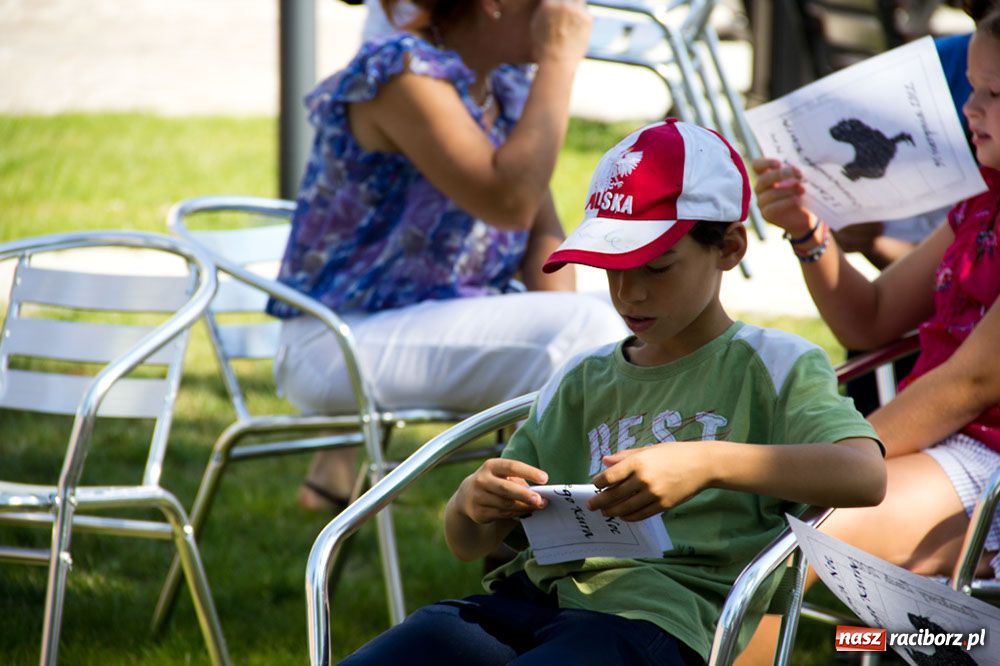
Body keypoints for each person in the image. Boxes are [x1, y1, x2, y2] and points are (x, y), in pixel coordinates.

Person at [337, 120, 887, 666]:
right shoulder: (582, 377)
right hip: (526, 604)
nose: (628, 293)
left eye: (657, 267)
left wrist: (708, 463)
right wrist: (470, 503)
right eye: (610, 268)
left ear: (729, 247)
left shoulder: (775, 365)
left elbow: (865, 474)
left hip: (656, 622)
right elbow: (471, 544)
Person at [268, 0, 628, 512]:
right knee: (583, 330)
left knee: (628, 320)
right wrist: (560, 61)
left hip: (431, 323)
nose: (569, 9)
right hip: (336, 339)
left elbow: (540, 230)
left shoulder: (503, 87)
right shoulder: (402, 73)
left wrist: (562, 330)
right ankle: (564, 532)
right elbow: (509, 201)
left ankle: (565, 528)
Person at [740, 9, 1000, 663]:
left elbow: (972, 384)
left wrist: (827, 460)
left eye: (994, 94)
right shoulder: (986, 198)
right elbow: (871, 317)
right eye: (972, 87)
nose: (970, 108)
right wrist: (807, 230)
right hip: (945, 442)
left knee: (779, 549)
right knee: (744, 526)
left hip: (987, 463)